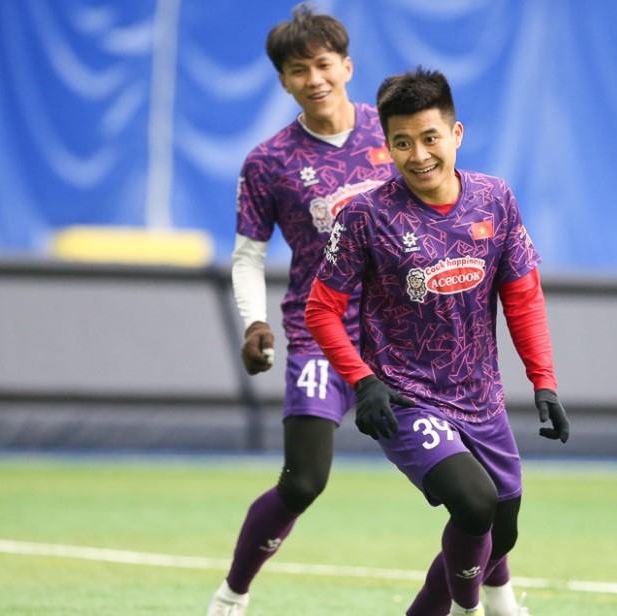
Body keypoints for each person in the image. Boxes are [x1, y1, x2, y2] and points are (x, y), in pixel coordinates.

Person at [305, 67, 570, 616]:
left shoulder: (495, 199)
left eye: (430, 138)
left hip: (480, 397)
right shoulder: (365, 215)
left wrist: (543, 382)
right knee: (473, 504)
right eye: (402, 142)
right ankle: (475, 610)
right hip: (403, 396)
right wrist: (364, 380)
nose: (419, 154)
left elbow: (523, 298)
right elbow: (322, 309)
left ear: (456, 135)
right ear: (388, 146)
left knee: (502, 529)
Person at [207, 4, 394, 615]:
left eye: (322, 64)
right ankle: (232, 595)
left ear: (346, 65)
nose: (313, 79)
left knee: (471, 477)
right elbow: (247, 255)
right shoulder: (268, 162)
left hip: (408, 334)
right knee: (305, 481)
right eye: (297, 70)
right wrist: (254, 321)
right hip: (321, 331)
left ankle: (497, 599)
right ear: (283, 81)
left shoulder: (396, 135)